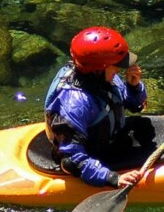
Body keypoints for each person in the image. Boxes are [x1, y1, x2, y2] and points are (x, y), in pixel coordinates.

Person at [43, 26, 152, 189]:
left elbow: (134, 105)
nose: (120, 69)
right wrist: (113, 178)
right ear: (98, 68)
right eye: (116, 65)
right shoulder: (75, 103)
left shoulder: (104, 78)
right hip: (89, 157)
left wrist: (133, 87)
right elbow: (72, 160)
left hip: (108, 139)